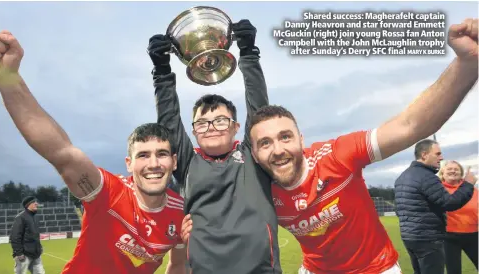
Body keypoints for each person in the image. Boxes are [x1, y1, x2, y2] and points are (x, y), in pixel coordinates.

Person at [182, 18, 479, 274]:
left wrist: (468, 63)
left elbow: (411, 125)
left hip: (375, 268)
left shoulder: (338, 156)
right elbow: (222, 209)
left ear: (301, 139)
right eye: (265, 143)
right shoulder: (262, 187)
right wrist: (194, 228)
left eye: (285, 137)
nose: (277, 149)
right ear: (253, 153)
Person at [0, 31, 187, 274]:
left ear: (173, 162)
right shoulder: (109, 192)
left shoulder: (182, 212)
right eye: (143, 155)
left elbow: (178, 264)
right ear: (129, 164)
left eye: (161, 154)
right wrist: (8, 79)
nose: (153, 163)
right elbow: (61, 151)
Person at [147, 19, 281, 274]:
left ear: (235, 126)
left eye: (220, 120)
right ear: (194, 131)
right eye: (202, 123)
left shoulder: (253, 155)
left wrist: (249, 54)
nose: (211, 127)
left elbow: (259, 108)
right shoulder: (187, 163)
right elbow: (169, 120)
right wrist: (162, 71)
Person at [394, 140, 475, 274]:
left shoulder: (402, 177)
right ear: (424, 155)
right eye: (437, 154)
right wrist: (467, 184)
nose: (441, 158)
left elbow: (399, 210)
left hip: (409, 237)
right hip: (428, 239)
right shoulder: (426, 177)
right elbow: (450, 203)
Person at [438, 160, 478, 274]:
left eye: (456, 169)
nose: (453, 171)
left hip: (474, 234)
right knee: (453, 271)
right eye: (449, 169)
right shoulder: (438, 189)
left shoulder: (472, 189)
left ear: (461, 173)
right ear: (442, 173)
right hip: (448, 237)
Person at [10, 196, 45, 274]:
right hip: (24, 255)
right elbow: (15, 237)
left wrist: (39, 247)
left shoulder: (35, 217)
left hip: (36, 254)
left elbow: (35, 236)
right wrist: (19, 253)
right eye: (34, 202)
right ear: (28, 205)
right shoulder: (20, 217)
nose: (36, 203)